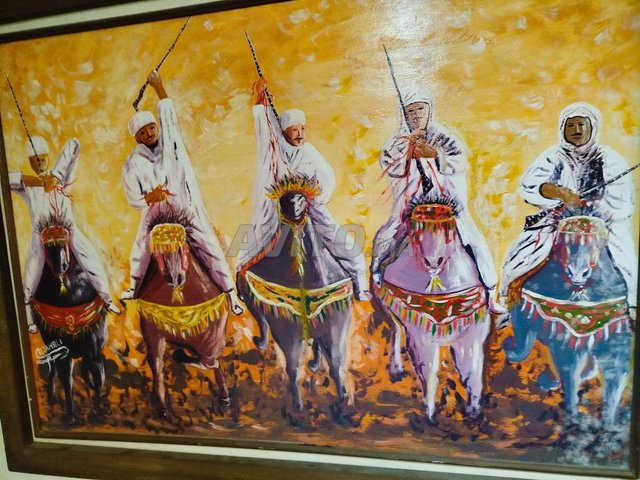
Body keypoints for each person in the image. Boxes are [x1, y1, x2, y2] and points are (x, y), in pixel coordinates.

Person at [372, 84, 507, 316]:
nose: (416, 116)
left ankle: (490, 291)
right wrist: (408, 153)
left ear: (429, 110)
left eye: (420, 109)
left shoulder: (445, 138)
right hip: (411, 207)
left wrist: (435, 155)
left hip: (447, 206)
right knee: (388, 233)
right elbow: (390, 165)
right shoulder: (396, 142)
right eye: (410, 111)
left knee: (473, 239)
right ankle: (376, 275)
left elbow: (459, 162)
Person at [121, 71, 243, 314]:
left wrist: (158, 86)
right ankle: (134, 288)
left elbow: (169, 116)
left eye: (152, 128)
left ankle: (231, 295)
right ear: (137, 139)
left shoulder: (172, 146)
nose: (149, 133)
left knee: (208, 244)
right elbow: (133, 197)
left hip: (184, 208)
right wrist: (148, 199)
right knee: (141, 245)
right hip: (155, 214)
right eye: (142, 132)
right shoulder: (133, 163)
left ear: (158, 127)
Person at [237, 77, 370, 300]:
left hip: (310, 207)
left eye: (302, 129)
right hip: (280, 210)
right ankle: (242, 282)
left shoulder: (308, 151)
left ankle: (360, 285)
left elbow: (328, 178)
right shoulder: (275, 151)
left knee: (345, 245)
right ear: (284, 132)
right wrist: (261, 105)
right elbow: (265, 132)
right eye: (294, 129)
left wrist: (316, 197)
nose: (299, 133)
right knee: (254, 240)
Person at [500, 102, 637, 308]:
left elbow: (621, 203)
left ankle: (632, 306)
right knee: (521, 255)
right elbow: (530, 186)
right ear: (562, 129)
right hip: (557, 220)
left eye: (581, 125)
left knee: (623, 257)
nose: (576, 130)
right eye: (570, 125)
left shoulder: (610, 159)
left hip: (604, 225)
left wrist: (591, 208)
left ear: (592, 128)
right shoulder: (554, 156)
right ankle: (506, 302)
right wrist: (561, 193)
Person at [10, 136, 120, 332]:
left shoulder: (63, 178)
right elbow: (5, 178)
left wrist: (55, 177)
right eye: (34, 160)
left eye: (42, 158)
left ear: (47, 158)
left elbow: (75, 144)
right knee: (31, 273)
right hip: (40, 236)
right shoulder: (28, 187)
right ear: (30, 163)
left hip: (69, 230)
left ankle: (107, 298)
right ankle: (29, 319)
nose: (39, 163)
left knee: (90, 259)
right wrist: (34, 181)